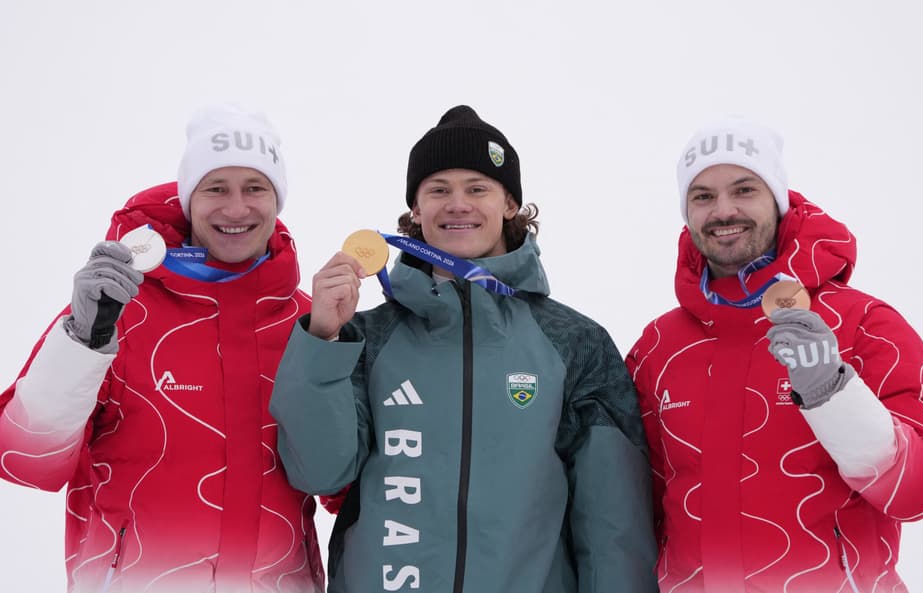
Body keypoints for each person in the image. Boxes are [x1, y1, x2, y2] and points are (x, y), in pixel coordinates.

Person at [269, 105, 658, 593]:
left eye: (478, 188)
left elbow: (612, 524)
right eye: (438, 190)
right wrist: (323, 337)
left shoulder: (574, 341)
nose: (458, 204)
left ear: (510, 204)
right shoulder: (366, 337)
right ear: (416, 210)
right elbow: (319, 472)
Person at [0, 103, 336, 592]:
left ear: (277, 199)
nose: (236, 208)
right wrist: (83, 342)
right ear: (188, 200)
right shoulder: (118, 310)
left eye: (255, 188)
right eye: (215, 188)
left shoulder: (305, 321)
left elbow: (344, 485)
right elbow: (26, 458)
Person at [626, 116, 923, 592]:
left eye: (744, 189)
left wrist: (834, 395)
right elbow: (638, 509)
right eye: (703, 196)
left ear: (777, 200)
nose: (723, 210)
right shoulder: (658, 347)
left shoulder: (865, 324)